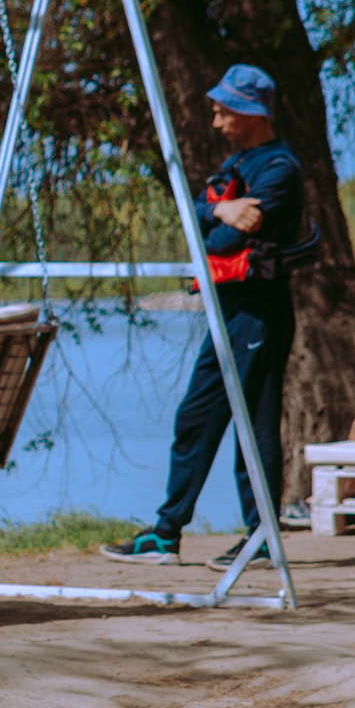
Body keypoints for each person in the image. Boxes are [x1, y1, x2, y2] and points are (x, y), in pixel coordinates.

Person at [100, 64, 308, 569]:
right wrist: (217, 209)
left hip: (259, 312)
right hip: (228, 310)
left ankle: (259, 536)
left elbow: (221, 243)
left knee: (254, 427)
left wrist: (214, 219)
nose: (215, 123)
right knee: (197, 414)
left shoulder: (279, 169)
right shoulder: (238, 163)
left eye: (222, 112)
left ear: (251, 112)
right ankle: (166, 535)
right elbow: (199, 217)